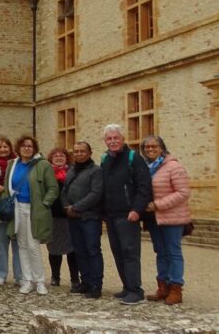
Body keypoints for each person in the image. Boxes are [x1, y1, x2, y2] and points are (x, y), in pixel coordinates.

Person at [99, 124, 152, 305]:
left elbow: (144, 187)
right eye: (109, 138)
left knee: (130, 252)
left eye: (116, 138)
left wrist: (137, 209)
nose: (113, 141)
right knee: (118, 252)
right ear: (105, 141)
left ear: (123, 139)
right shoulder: (105, 159)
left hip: (127, 214)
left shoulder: (134, 158)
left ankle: (136, 291)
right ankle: (127, 287)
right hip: (111, 214)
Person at [4, 135, 58, 295]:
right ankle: (27, 280)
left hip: (34, 209)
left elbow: (53, 188)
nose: (27, 148)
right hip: (17, 208)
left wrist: (44, 203)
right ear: (18, 148)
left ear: (34, 148)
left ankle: (39, 280)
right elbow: (8, 187)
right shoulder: (12, 164)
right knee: (21, 245)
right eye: (24, 145)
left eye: (30, 146)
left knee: (33, 245)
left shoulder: (43, 165)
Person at [141, 135, 191, 306]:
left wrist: (158, 205)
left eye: (153, 146)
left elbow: (183, 193)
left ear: (162, 148)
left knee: (173, 252)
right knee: (160, 252)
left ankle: (176, 288)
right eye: (146, 147)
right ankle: (163, 286)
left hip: (172, 217)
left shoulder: (174, 167)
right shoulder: (147, 167)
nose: (150, 149)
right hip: (154, 218)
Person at [62, 141, 104, 299]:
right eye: (76, 151)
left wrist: (76, 207)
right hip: (73, 218)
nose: (79, 154)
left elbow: (95, 194)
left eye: (82, 151)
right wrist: (66, 206)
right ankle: (85, 281)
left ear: (90, 153)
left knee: (92, 250)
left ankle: (96, 285)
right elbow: (65, 191)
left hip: (89, 217)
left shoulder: (96, 171)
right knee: (79, 250)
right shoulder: (72, 170)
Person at [0, 136, 22, 286]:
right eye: (0, 147)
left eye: (5, 146)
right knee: (0, 243)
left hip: (16, 206)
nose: (3, 149)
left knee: (17, 243)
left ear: (10, 148)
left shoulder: (18, 163)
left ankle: (20, 275)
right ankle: (0, 273)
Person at [46, 147, 79, 288]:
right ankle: (55, 276)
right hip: (53, 216)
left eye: (62, 156)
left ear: (67, 158)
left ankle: (74, 278)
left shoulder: (73, 172)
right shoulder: (47, 173)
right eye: (55, 156)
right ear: (51, 159)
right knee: (54, 248)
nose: (59, 158)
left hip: (69, 215)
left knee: (73, 249)